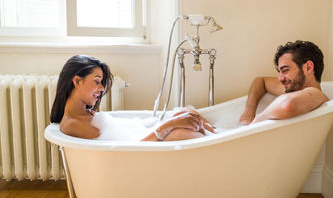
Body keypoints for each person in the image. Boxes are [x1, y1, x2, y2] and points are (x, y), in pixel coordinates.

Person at [50, 55, 214, 141]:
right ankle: (220, 142)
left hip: (141, 135)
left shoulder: (86, 115)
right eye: (97, 82)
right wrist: (169, 125)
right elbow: (130, 147)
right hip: (141, 143)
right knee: (179, 133)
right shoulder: (72, 124)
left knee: (188, 112)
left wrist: (167, 123)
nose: (101, 88)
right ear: (77, 81)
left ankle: (221, 136)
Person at [239, 40, 329, 125]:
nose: (280, 79)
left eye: (285, 70)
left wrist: (255, 123)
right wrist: (248, 112)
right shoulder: (295, 89)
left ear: (308, 67)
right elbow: (261, 81)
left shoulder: (316, 94)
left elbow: (287, 104)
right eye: (280, 72)